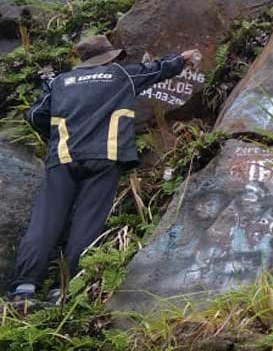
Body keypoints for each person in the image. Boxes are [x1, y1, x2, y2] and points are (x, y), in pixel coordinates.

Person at [6, 35, 200, 310]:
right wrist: (182, 59)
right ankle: (67, 290)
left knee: (45, 220)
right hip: (104, 158)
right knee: (87, 222)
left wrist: (58, 136)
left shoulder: (59, 82)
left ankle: (23, 289)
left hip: (63, 157)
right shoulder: (120, 75)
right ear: (108, 57)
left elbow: (36, 114)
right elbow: (157, 70)